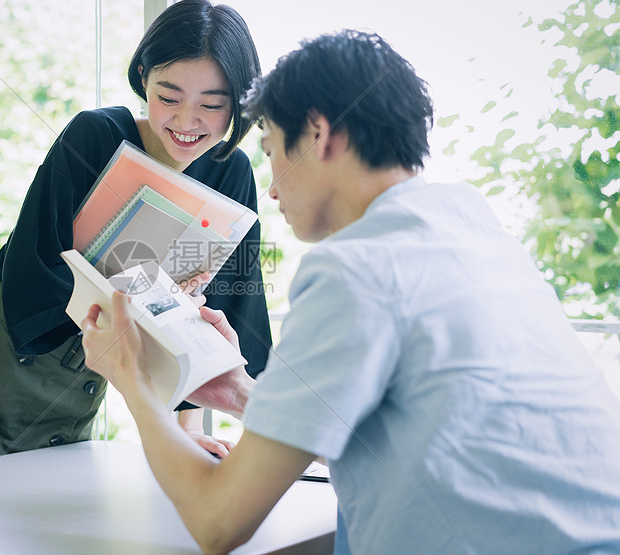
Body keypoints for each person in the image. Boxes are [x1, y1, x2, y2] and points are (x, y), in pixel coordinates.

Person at [79, 30, 620, 554]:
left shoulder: (352, 268)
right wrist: (242, 393)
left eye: (270, 151)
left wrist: (133, 380)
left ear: (318, 134)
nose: (270, 185)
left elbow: (217, 523)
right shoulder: (470, 222)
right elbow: (414, 429)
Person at [0, 0, 272, 459]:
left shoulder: (232, 174)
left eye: (212, 105)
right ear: (143, 76)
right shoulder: (95, 134)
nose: (187, 122)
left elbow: (220, 315)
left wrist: (187, 428)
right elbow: (36, 271)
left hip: (77, 385)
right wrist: (150, 299)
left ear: (239, 106)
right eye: (169, 97)